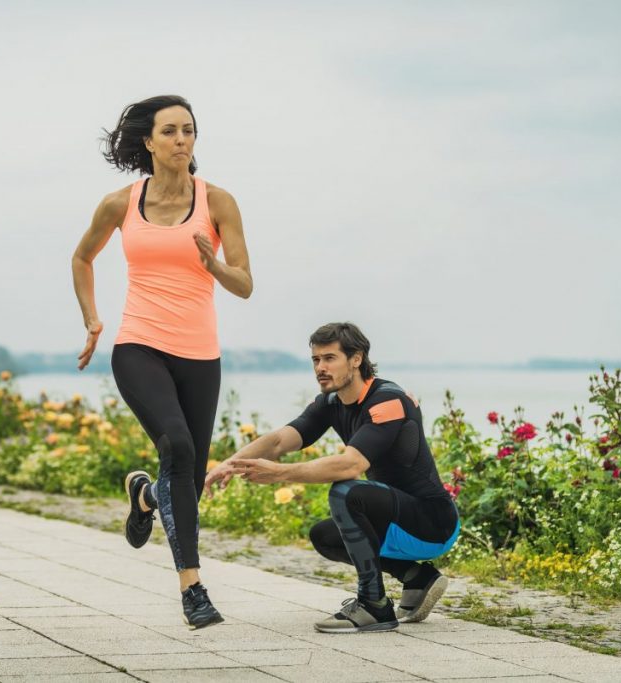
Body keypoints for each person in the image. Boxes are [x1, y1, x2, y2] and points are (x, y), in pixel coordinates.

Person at [71, 95, 253, 629]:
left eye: (189, 131)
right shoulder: (118, 204)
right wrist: (92, 319)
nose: (181, 140)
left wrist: (213, 264)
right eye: (170, 131)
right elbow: (83, 256)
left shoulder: (218, 202)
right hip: (139, 345)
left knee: (187, 483)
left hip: (200, 353)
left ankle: (146, 495)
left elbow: (244, 284)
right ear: (148, 142)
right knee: (175, 445)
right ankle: (193, 590)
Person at [204, 322, 458, 633]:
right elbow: (279, 441)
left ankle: (374, 605)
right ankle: (416, 578)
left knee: (346, 492)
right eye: (316, 360)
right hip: (395, 519)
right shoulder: (331, 402)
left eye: (330, 358)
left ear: (356, 359)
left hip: (432, 523)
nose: (321, 368)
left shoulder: (388, 402)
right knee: (325, 536)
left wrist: (279, 473)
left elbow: (349, 465)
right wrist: (228, 464)